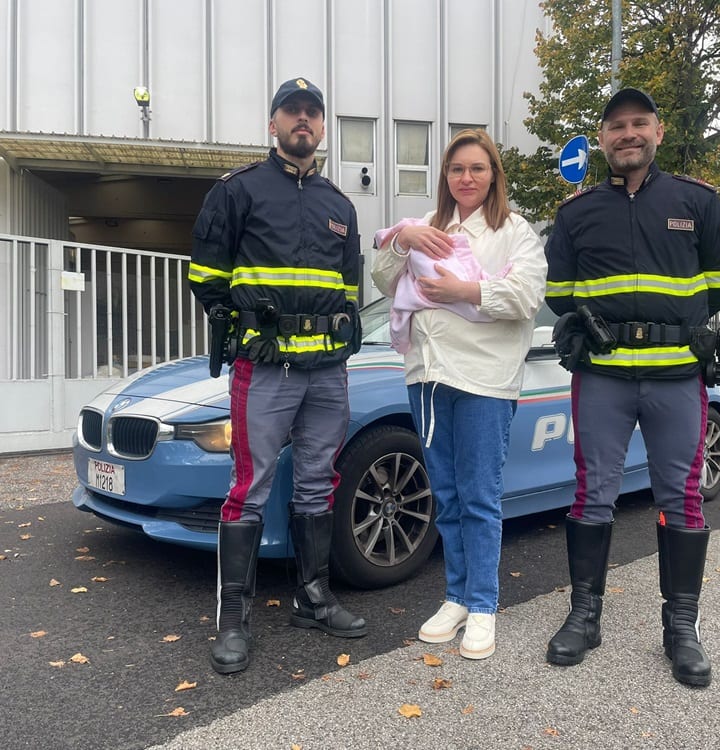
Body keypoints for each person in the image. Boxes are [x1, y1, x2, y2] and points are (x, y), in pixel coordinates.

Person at [544, 88, 720, 687]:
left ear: (657, 131)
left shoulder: (697, 201)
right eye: (616, 127)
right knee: (591, 493)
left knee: (679, 497)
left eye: (638, 124)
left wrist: (670, 323)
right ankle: (585, 614)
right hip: (602, 375)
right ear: (602, 140)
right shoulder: (576, 213)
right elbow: (558, 293)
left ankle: (681, 627)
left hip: (674, 375)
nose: (627, 134)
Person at [188, 76, 366, 675]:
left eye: (312, 114)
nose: (303, 122)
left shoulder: (340, 206)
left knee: (318, 482)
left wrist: (345, 329)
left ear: (321, 127)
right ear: (273, 124)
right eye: (292, 112)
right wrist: (231, 323)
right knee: (250, 486)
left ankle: (311, 597)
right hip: (264, 369)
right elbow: (207, 276)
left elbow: (348, 287)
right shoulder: (237, 191)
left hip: (325, 374)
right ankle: (233, 618)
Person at [371, 129, 547, 660]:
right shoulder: (425, 226)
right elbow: (381, 279)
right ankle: (456, 597)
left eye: (476, 168)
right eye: (456, 170)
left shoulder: (514, 232)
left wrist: (463, 291)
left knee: (479, 495)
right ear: (445, 177)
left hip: (484, 382)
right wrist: (402, 242)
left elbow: (525, 297)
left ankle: (484, 604)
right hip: (427, 376)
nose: (466, 178)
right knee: (444, 493)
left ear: (494, 174)